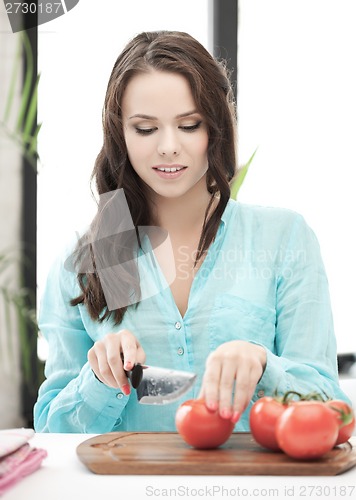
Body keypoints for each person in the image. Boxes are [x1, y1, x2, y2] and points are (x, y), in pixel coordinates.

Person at [34, 30, 349, 433]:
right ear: (120, 135)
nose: (168, 146)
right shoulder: (82, 261)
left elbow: (328, 403)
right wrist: (98, 379)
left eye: (189, 125)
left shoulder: (284, 239)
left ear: (216, 127)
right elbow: (51, 431)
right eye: (145, 129)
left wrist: (263, 366)